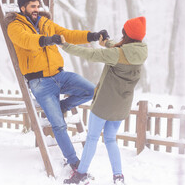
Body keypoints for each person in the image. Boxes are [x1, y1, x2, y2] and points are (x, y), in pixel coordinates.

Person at [7, 0, 110, 171]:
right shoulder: (15, 26)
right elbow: (27, 40)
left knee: (92, 90)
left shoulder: (46, 23)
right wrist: (47, 40)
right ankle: (73, 162)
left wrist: (92, 36)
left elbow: (68, 34)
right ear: (22, 8)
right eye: (32, 6)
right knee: (59, 125)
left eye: (37, 6)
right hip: (40, 82)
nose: (36, 10)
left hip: (59, 75)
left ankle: (62, 106)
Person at [61, 17, 148, 184]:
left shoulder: (117, 54)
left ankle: (80, 174)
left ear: (126, 34)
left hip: (104, 104)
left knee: (92, 138)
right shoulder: (141, 52)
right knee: (110, 139)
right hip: (122, 106)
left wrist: (65, 46)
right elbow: (123, 50)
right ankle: (118, 176)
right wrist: (107, 42)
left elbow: (91, 54)